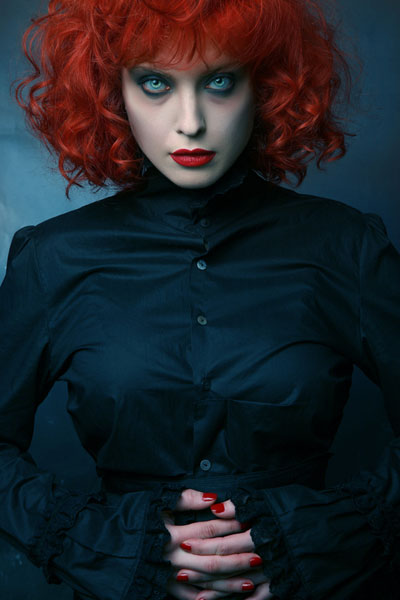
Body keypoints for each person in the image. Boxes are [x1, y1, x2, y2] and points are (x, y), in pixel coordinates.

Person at [0, 0, 399, 599]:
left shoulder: (346, 247)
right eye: (155, 83)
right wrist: (111, 544)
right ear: (111, 93)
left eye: (219, 81)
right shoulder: (53, 258)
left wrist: (314, 540)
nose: (190, 123)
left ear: (265, 86)